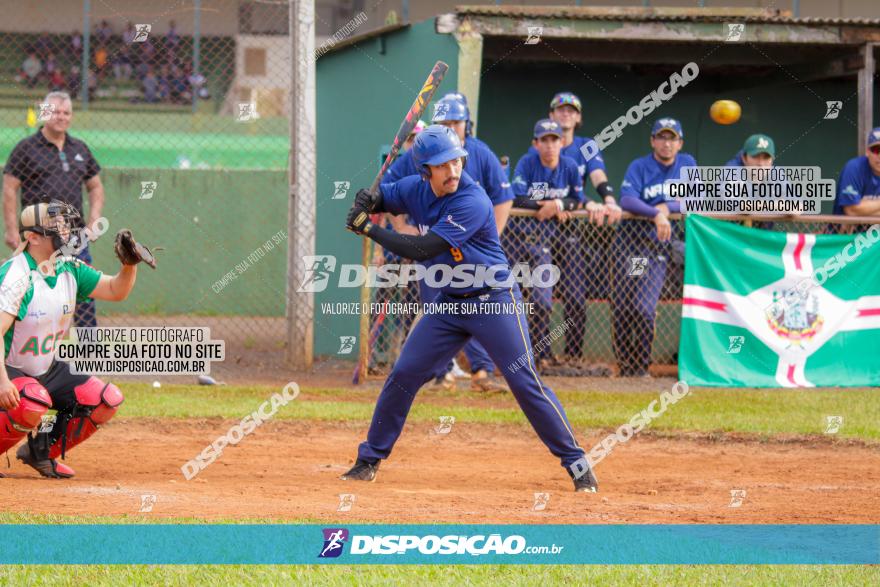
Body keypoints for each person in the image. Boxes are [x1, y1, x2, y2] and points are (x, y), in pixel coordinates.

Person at [340, 125, 599, 492]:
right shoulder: (414, 189)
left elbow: (422, 249)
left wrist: (369, 229)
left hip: (493, 299)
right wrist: (369, 200)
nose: (454, 170)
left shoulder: (471, 200)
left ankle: (577, 462)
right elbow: (387, 197)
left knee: (523, 381)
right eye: (443, 165)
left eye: (457, 161)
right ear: (425, 171)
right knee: (403, 375)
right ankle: (369, 459)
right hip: (448, 304)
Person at [0, 202, 148, 478]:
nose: (66, 231)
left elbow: (116, 290)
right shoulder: (18, 275)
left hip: (44, 368)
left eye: (67, 224)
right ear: (32, 237)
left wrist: (129, 265)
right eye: (56, 226)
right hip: (7, 367)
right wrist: (2, 381)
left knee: (104, 400)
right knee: (32, 401)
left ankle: (40, 451)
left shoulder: (70, 268)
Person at [381, 93, 514, 392]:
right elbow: (389, 190)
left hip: (472, 251)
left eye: (457, 122)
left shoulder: (479, 153)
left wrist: (491, 235)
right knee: (436, 310)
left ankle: (482, 372)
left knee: (480, 310)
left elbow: (504, 198)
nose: (451, 128)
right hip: (436, 248)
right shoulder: (422, 152)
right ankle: (441, 374)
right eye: (444, 123)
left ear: (468, 123)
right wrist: (402, 228)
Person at [3, 92, 105, 328]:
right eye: (56, 111)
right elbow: (9, 190)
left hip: (75, 239)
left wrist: (94, 219)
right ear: (45, 113)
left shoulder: (79, 148)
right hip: (38, 238)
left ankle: (90, 352)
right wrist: (11, 230)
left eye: (66, 112)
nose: (61, 117)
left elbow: (96, 186)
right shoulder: (25, 148)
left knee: (84, 294)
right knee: (30, 293)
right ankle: (25, 355)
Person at [508, 119, 603, 370]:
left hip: (557, 238)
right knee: (522, 300)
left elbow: (578, 199)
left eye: (554, 139)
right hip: (523, 238)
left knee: (558, 297)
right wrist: (548, 205)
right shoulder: (527, 163)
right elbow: (515, 197)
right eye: (544, 140)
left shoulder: (570, 165)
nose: (550, 145)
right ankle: (528, 356)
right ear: (535, 143)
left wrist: (559, 206)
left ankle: (558, 355)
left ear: (562, 142)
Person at [612, 118, 695, 377]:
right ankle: (626, 366)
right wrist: (656, 214)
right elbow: (626, 199)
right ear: (652, 141)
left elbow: (696, 198)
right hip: (631, 246)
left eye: (672, 138)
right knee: (624, 307)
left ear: (680, 143)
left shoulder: (687, 164)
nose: (667, 143)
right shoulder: (640, 166)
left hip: (656, 249)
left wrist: (667, 207)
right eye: (662, 137)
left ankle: (642, 365)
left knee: (644, 307)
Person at [546, 92, 622, 362]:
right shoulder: (544, 142)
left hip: (571, 230)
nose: (566, 113)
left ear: (578, 117)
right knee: (539, 297)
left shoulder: (586, 145)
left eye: (571, 110)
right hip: (543, 230)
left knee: (575, 297)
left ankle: (573, 357)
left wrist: (609, 200)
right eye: (560, 109)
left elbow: (598, 175)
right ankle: (540, 356)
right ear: (551, 115)